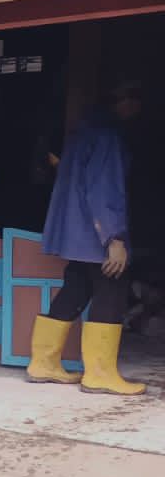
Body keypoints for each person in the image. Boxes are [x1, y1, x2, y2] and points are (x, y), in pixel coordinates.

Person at [29, 83, 145, 395]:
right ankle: (100, 373)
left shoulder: (83, 132)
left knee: (76, 288)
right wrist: (114, 238)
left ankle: (43, 363)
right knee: (112, 290)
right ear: (122, 102)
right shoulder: (108, 136)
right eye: (137, 101)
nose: (138, 109)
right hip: (96, 235)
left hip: (76, 234)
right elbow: (105, 191)